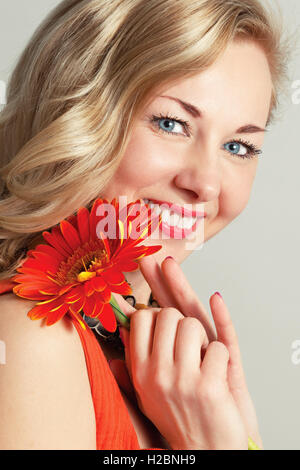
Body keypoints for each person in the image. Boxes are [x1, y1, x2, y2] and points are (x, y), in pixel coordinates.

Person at [0, 0, 290, 450]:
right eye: (172, 123)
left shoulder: (178, 373)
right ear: (77, 113)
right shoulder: (31, 340)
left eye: (238, 147)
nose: (206, 183)